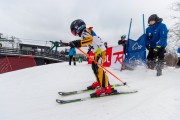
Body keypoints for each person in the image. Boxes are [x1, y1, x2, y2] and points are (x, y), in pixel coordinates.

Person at [69, 19, 116, 97]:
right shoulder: (85, 32)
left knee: (98, 68)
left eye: (74, 32)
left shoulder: (85, 32)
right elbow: (87, 42)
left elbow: (89, 40)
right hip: (98, 52)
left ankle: (106, 87)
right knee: (94, 67)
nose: (75, 34)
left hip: (101, 51)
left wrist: (77, 43)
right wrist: (77, 44)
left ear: (78, 28)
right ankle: (99, 81)